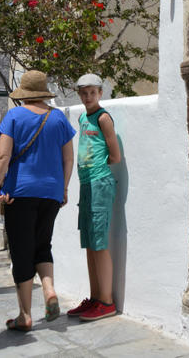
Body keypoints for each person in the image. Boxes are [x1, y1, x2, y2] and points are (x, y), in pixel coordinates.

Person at [0, 70, 75, 332]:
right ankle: (49, 289)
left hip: (20, 192)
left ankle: (25, 315)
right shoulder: (58, 117)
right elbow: (68, 158)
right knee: (42, 244)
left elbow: (3, 156)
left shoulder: (15, 116)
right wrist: (63, 188)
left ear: (24, 93)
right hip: (51, 192)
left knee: (21, 251)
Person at [67, 73, 121, 323]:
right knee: (89, 243)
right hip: (86, 185)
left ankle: (107, 302)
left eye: (92, 92)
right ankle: (95, 297)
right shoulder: (82, 117)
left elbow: (115, 156)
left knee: (99, 243)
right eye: (84, 93)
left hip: (100, 183)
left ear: (100, 93)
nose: (88, 97)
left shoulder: (103, 118)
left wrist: (98, 170)